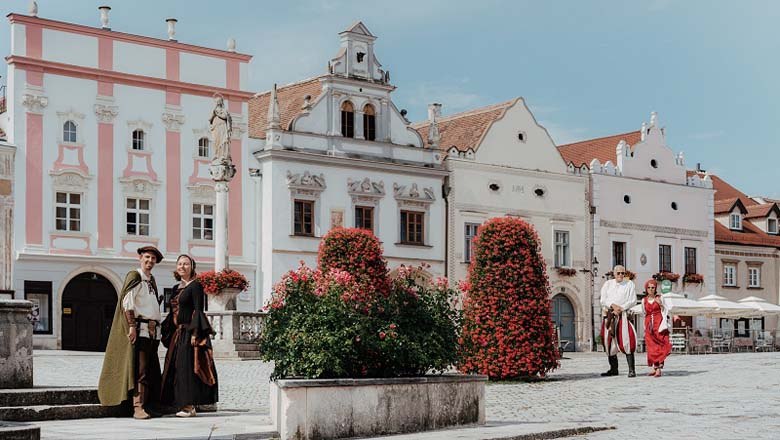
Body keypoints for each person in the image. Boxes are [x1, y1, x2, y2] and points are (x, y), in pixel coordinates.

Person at [98, 246, 164, 419]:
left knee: (150, 370)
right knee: (140, 370)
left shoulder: (151, 280)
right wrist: (132, 326)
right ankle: (137, 407)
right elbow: (127, 303)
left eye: (153, 259)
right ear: (140, 258)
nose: (150, 261)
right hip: (140, 329)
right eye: (147, 257)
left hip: (152, 331)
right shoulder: (135, 276)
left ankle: (149, 405)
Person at [160, 254, 218, 417]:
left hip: (189, 333)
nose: (182, 266)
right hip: (177, 334)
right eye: (179, 264)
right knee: (175, 368)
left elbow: (198, 311)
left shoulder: (196, 286)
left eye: (186, 264)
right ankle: (177, 403)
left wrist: (195, 333)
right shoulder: (175, 288)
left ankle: (189, 406)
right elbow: (172, 312)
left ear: (192, 267)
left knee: (187, 369)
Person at [599, 265, 638, 378]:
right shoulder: (608, 284)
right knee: (609, 341)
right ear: (614, 274)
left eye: (623, 273)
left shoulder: (629, 284)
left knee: (627, 340)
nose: (621, 275)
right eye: (618, 273)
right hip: (610, 314)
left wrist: (621, 308)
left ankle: (631, 370)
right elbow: (603, 299)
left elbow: (633, 300)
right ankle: (613, 368)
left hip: (623, 315)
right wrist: (612, 306)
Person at [643, 279, 672, 377]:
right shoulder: (644, 300)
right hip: (649, 325)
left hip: (658, 323)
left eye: (653, 287)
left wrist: (660, 303)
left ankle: (659, 368)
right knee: (651, 347)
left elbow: (666, 310)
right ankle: (655, 367)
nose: (651, 289)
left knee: (660, 346)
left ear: (655, 288)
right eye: (649, 287)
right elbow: (644, 313)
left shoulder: (660, 298)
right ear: (646, 289)